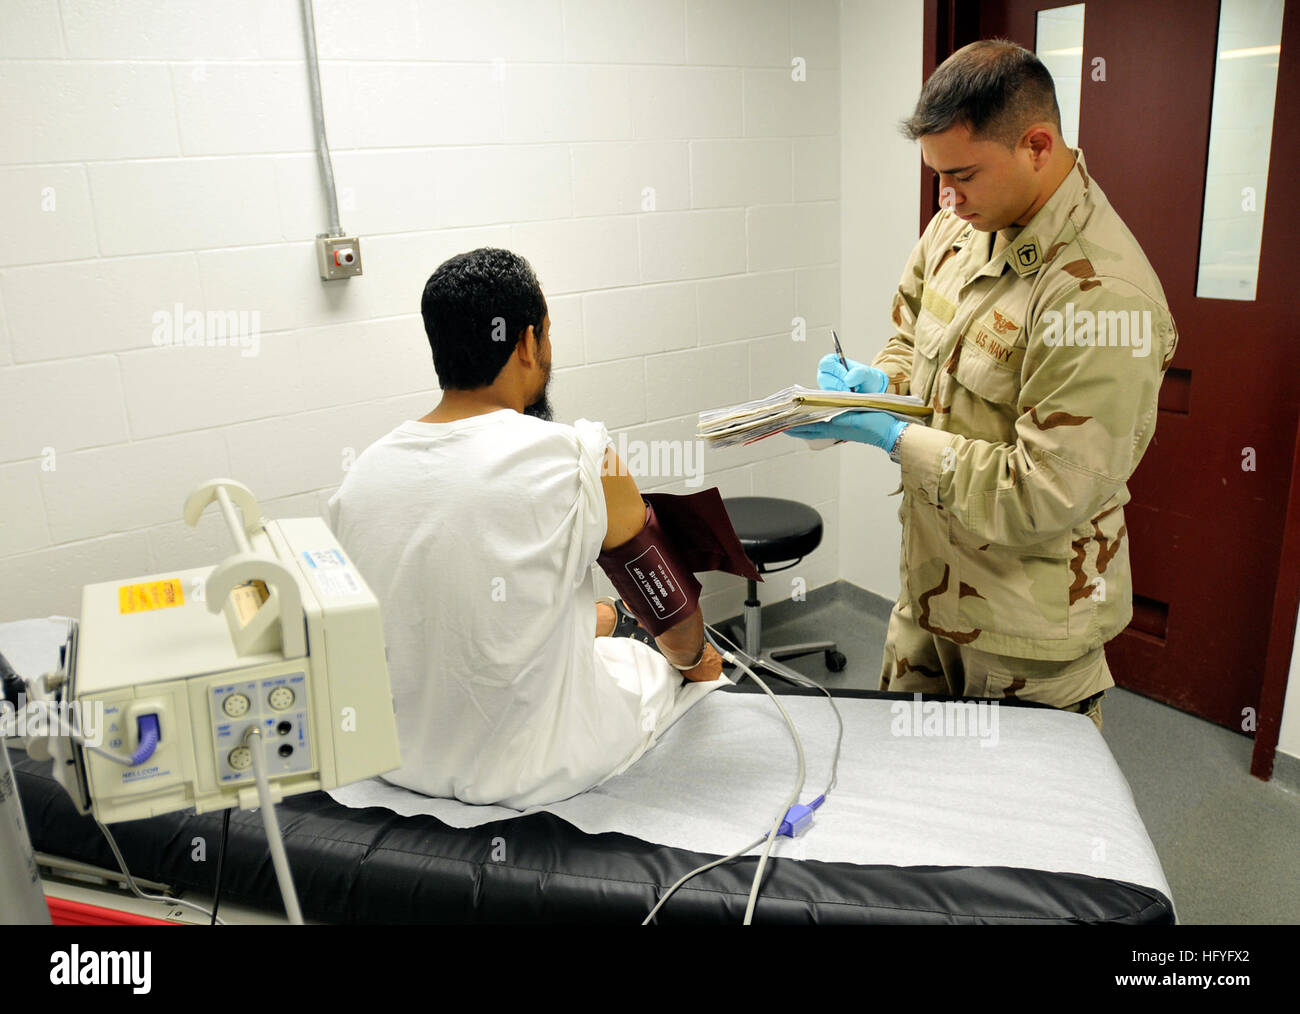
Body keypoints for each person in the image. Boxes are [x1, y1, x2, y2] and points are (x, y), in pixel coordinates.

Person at [789, 40, 1178, 732]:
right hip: (931, 594)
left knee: (1005, 832)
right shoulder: (961, 228)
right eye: (938, 176)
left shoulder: (1102, 296)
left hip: (1025, 637)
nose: (946, 198)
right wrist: (879, 386)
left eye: (962, 175)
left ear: (1036, 145)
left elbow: (1042, 491)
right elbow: (910, 333)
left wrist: (896, 435)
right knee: (911, 808)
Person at [328, 247, 725, 809]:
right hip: (541, 773)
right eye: (548, 335)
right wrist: (692, 662)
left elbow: (444, 615)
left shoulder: (361, 476)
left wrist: (601, 619)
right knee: (654, 665)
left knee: (605, 631)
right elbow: (675, 620)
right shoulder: (584, 456)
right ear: (526, 342)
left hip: (400, 763)